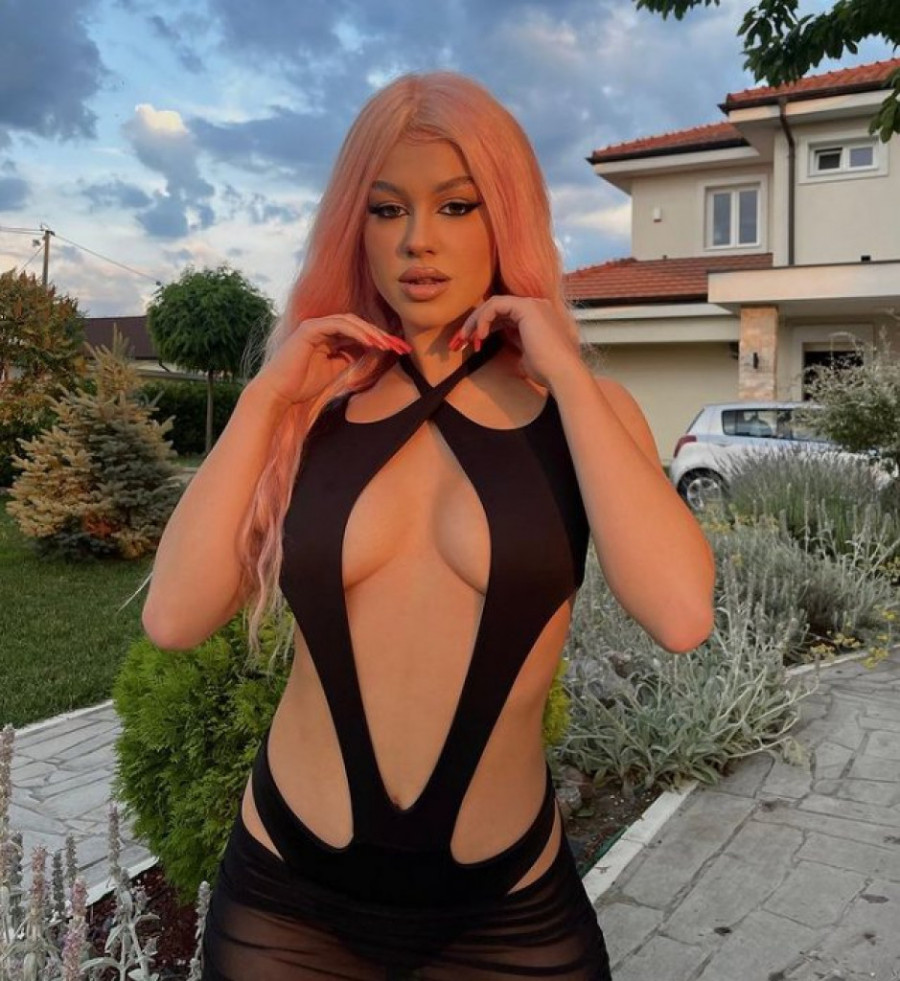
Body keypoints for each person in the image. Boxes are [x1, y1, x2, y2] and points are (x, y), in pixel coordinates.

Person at [142, 71, 715, 980]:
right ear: (355, 226)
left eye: (456, 204)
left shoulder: (584, 410)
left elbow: (681, 614)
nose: (418, 239)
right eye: (386, 209)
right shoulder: (308, 406)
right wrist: (265, 398)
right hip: (288, 898)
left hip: (507, 910)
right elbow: (174, 618)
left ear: (506, 216)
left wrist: (567, 373)